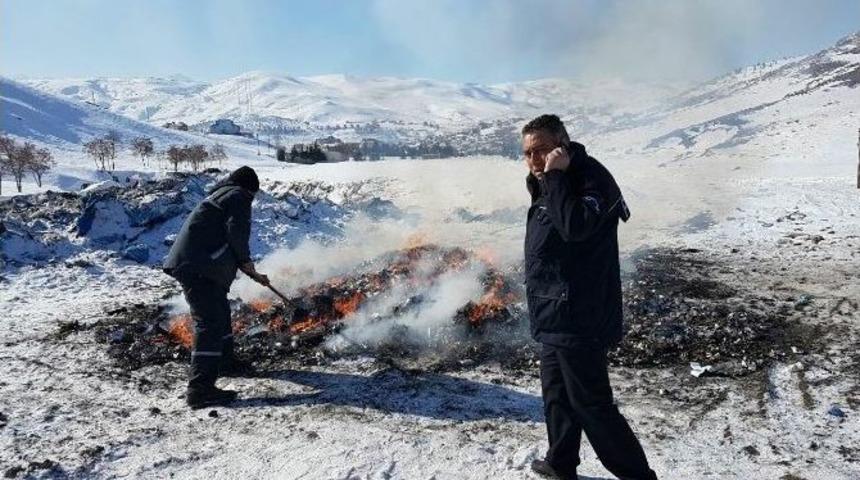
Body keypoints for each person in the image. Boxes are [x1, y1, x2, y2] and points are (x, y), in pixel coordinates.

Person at [522, 115, 658, 480]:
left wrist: (555, 176)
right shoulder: (552, 181)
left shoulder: (589, 178)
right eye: (527, 153)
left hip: (580, 314)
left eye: (541, 150)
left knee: (591, 403)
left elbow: (576, 227)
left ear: (562, 144)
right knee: (556, 395)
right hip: (554, 312)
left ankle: (637, 476)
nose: (534, 160)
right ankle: (560, 462)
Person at [163, 166, 270, 409]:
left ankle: (226, 362)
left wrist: (248, 269)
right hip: (200, 267)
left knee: (220, 313)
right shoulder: (238, 196)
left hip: (199, 265)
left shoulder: (221, 195)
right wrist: (245, 261)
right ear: (250, 188)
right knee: (209, 324)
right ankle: (200, 390)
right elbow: (237, 231)